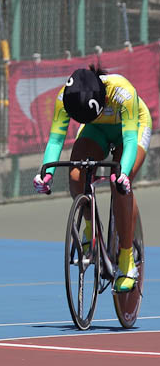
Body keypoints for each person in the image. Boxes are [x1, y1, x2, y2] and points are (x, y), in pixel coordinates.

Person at [33, 66, 151, 292]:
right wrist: (46, 173)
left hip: (132, 127)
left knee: (119, 184)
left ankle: (126, 259)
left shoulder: (122, 92)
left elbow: (128, 138)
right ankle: (90, 228)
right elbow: (56, 140)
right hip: (95, 129)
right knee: (77, 175)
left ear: (103, 98)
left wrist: (123, 175)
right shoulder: (65, 98)